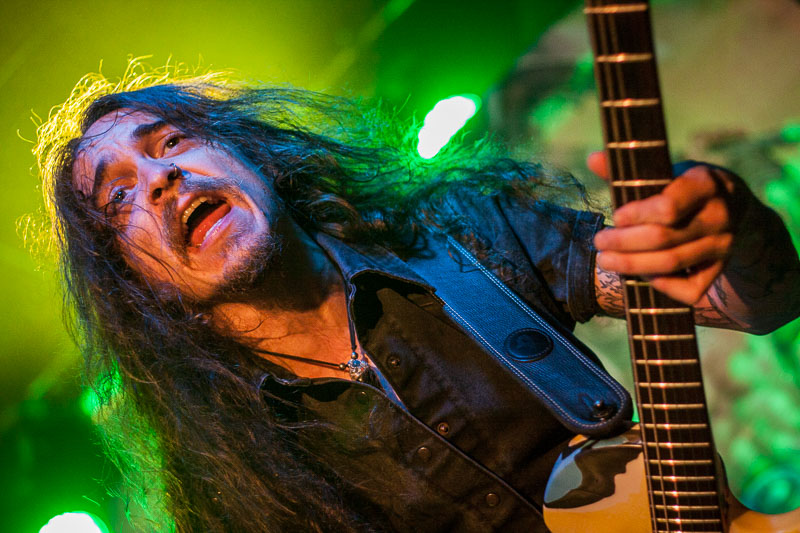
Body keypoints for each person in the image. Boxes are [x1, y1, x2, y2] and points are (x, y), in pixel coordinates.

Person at [34, 63, 800, 532]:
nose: (161, 178)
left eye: (172, 141)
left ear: (248, 152)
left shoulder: (457, 237)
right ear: (139, 288)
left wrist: (727, 233)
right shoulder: (236, 483)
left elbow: (742, 300)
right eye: (119, 197)